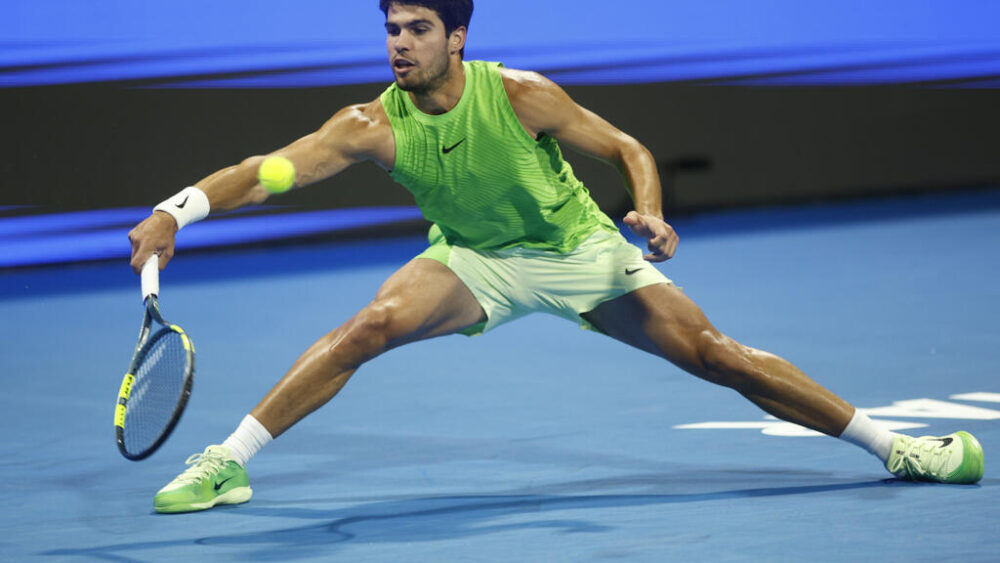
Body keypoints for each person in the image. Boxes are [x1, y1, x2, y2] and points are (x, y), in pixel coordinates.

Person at [129, 0, 984, 514]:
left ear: (456, 37)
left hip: (580, 252)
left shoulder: (520, 94)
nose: (399, 43)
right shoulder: (369, 125)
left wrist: (646, 210)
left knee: (719, 356)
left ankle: (900, 448)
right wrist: (178, 208)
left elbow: (627, 147)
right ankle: (225, 463)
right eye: (391, 28)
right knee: (370, 325)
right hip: (475, 261)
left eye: (417, 28)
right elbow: (270, 173)